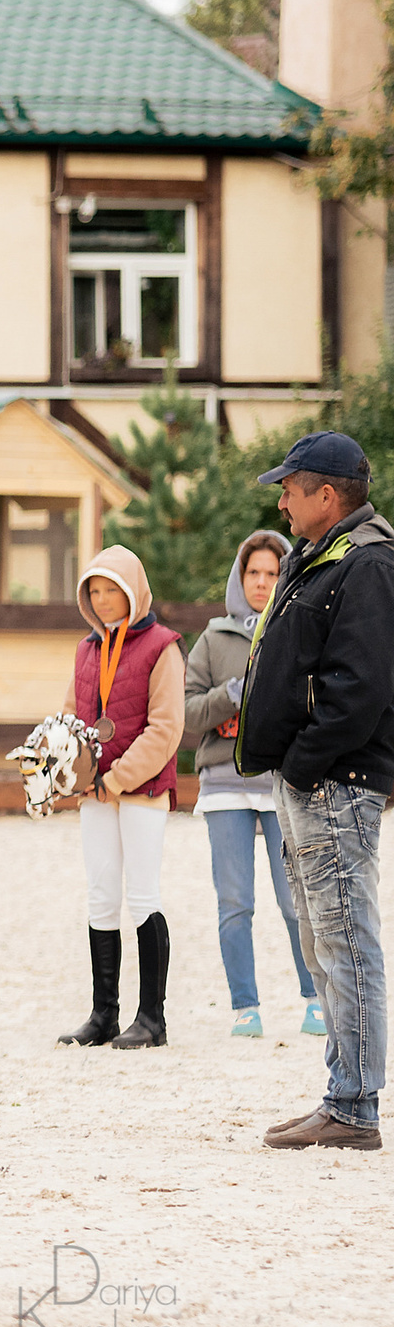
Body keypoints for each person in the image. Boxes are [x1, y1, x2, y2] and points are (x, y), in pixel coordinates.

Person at [237, 431, 394, 1152]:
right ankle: (343, 1091)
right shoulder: (325, 556)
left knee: (346, 940)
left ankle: (356, 1105)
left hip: (337, 778)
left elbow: (358, 688)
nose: (281, 499)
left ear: (326, 494)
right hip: (317, 777)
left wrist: (301, 762)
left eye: (290, 487)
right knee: (323, 938)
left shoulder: (366, 564)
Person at [180, 529, 321, 1040]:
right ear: (240, 579)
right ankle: (246, 1008)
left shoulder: (299, 627)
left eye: (271, 572)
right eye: (253, 573)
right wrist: (231, 696)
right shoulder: (213, 638)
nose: (262, 582)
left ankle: (316, 1001)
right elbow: (187, 711)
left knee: (295, 899)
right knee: (235, 902)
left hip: (283, 783)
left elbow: (318, 702)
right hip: (222, 784)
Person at [55, 545, 185, 1050]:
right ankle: (103, 1013)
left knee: (143, 896)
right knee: (101, 895)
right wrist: (68, 772)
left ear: (133, 592)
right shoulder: (86, 650)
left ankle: (152, 1018)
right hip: (95, 794)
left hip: (142, 792)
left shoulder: (162, 647)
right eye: (95, 590)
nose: (103, 599)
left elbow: (165, 728)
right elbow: (70, 719)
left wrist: (117, 779)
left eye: (113, 589)